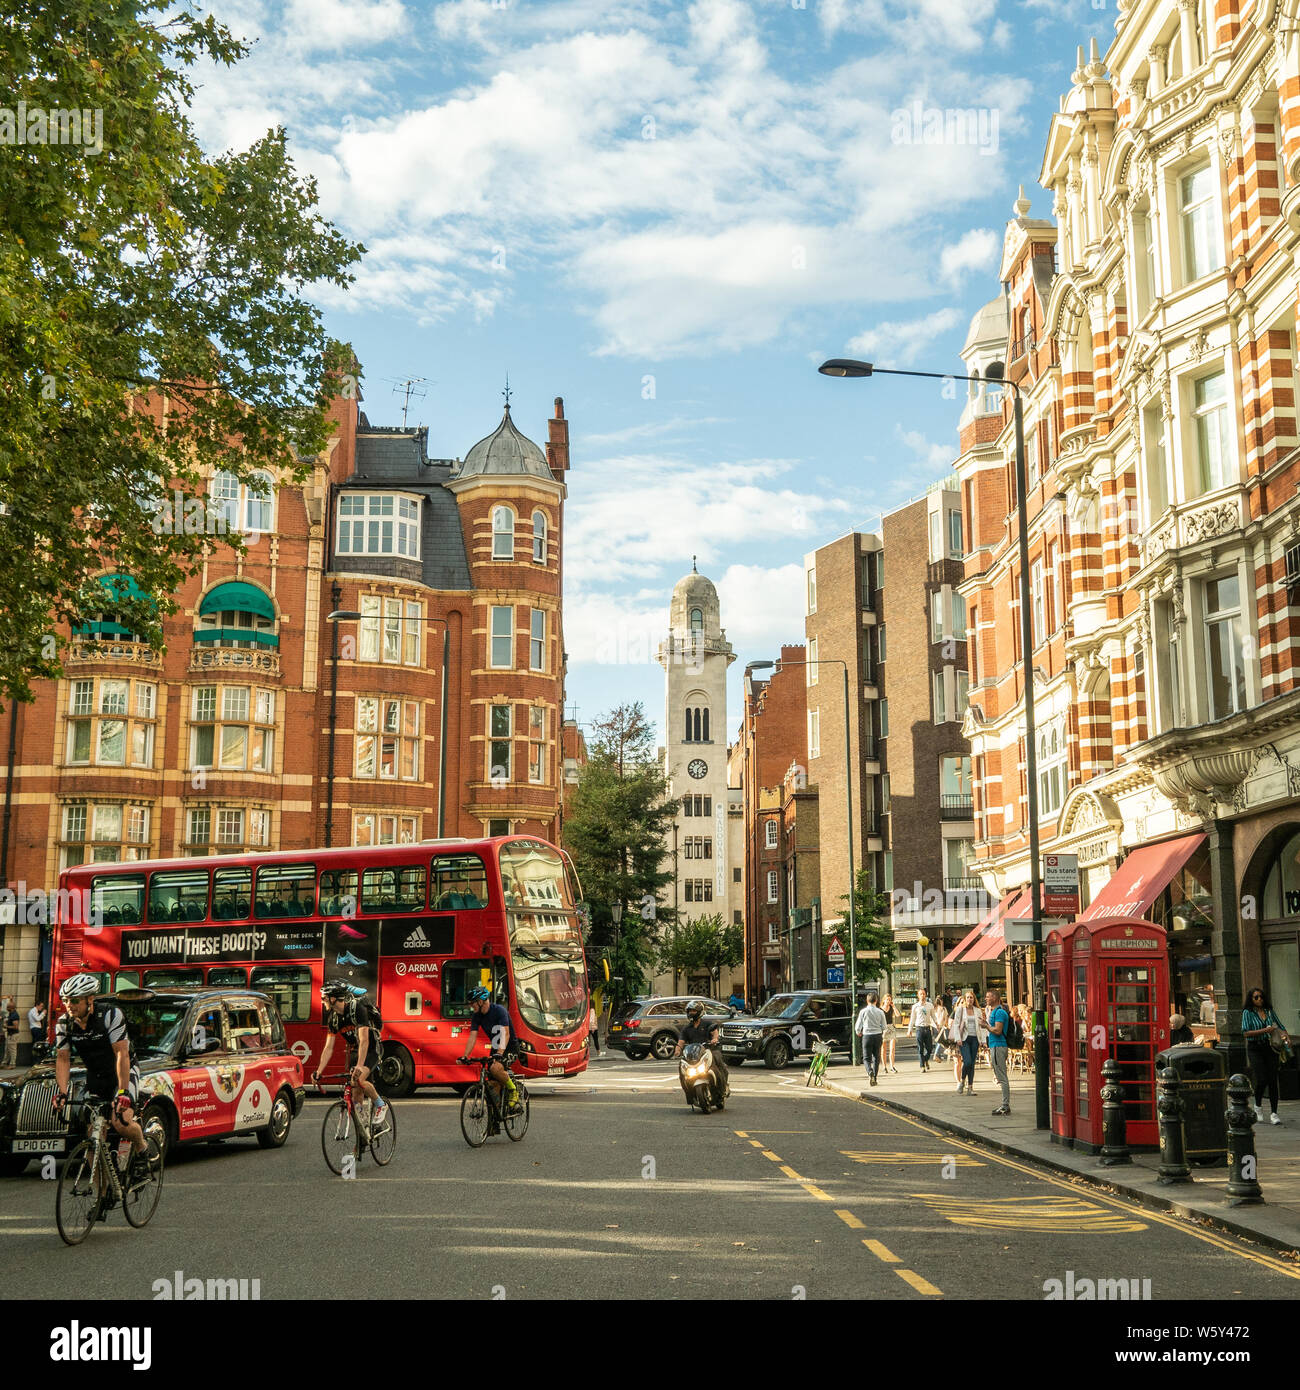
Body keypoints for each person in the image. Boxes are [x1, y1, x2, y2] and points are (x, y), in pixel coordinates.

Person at [49, 974, 155, 1181]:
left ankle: (142, 1148)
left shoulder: (110, 1015)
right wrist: (61, 1092)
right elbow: (63, 1060)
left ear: (90, 999)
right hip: (96, 1075)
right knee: (93, 1134)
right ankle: (102, 1194)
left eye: (75, 1000)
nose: (69, 1005)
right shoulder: (64, 1023)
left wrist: (123, 1092)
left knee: (120, 1121)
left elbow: (121, 1054)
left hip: (123, 1071)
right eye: (66, 1000)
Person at [314, 980, 389, 1132]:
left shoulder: (357, 1009)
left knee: (358, 1079)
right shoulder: (333, 1019)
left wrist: (360, 1066)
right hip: (356, 1051)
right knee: (356, 1094)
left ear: (333, 998)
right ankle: (364, 1130)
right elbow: (328, 1048)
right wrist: (319, 1071)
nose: (322, 1001)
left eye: (324, 998)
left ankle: (381, 1105)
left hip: (371, 1049)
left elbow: (364, 1040)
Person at [457, 985, 521, 1128]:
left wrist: (499, 1053)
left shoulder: (499, 1011)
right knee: (492, 1085)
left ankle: (513, 1089)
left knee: (496, 1068)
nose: (471, 1006)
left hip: (509, 1047)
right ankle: (496, 1118)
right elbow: (472, 1036)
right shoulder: (477, 1016)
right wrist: (465, 1056)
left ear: (480, 1001)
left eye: (472, 1003)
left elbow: (506, 1033)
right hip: (495, 1049)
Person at [1242, 987, 1289, 1125]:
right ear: (1251, 999)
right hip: (1255, 1048)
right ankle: (1258, 1106)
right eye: (1256, 997)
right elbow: (1245, 1032)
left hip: (1270, 1048)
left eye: (1261, 997)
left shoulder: (1269, 1011)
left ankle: (1274, 1113)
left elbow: (1280, 1025)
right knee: (1262, 1079)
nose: (1259, 999)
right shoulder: (1247, 1012)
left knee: (1273, 1079)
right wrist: (1265, 1030)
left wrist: (1285, 1035)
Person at [674, 1001, 728, 1098]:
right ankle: (689, 1094)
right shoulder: (687, 1028)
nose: (691, 1013)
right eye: (689, 1011)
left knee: (718, 1061)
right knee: (681, 1067)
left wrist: (715, 1039)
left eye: (694, 1011)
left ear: (699, 1012)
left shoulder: (707, 1024)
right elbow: (681, 1042)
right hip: (694, 1054)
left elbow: (715, 1032)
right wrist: (677, 1050)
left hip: (709, 1050)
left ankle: (722, 1089)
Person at [985, 988, 1012, 1115]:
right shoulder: (995, 1011)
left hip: (998, 1046)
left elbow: (997, 1030)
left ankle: (1005, 1105)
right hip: (995, 1045)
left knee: (1002, 1077)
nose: (986, 998)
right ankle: (1004, 1104)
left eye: (988, 996)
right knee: (1000, 1076)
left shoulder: (999, 1013)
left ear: (995, 998)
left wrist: (986, 1026)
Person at [952, 990, 984, 1095]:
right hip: (964, 1039)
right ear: (965, 999)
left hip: (975, 1038)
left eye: (971, 997)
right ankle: (962, 1081)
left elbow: (981, 1026)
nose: (970, 999)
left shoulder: (978, 1011)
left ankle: (970, 1087)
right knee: (968, 1061)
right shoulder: (960, 1010)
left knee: (972, 1064)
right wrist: (958, 1038)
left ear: (974, 999)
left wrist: (983, 1040)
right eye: (968, 997)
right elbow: (956, 1024)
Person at [855, 992, 887, 1085]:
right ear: (876, 1001)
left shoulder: (863, 1012)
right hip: (877, 1036)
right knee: (876, 1058)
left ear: (867, 1001)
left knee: (866, 1058)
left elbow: (858, 1026)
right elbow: (884, 1026)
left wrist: (858, 1032)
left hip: (867, 1036)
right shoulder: (880, 1012)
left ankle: (870, 1072)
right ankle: (875, 1078)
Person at [908, 988, 936, 1072]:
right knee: (920, 1048)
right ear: (918, 995)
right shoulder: (915, 1006)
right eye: (920, 994)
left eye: (923, 994)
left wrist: (937, 1024)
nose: (922, 995)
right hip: (919, 1029)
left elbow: (933, 1016)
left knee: (930, 1048)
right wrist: (910, 1030)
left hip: (927, 1028)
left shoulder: (930, 1005)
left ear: (926, 995)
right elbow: (912, 1019)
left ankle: (925, 1060)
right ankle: (922, 1066)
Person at [880, 994, 898, 1073]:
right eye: (887, 999)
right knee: (883, 1049)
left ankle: (892, 1066)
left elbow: (898, 1015)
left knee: (892, 1049)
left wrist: (894, 1007)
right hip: (883, 1028)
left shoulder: (891, 1008)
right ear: (884, 1000)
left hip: (891, 1028)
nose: (888, 1001)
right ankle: (884, 1066)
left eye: (890, 1000)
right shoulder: (880, 1009)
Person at [931, 998, 950, 1063]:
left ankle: (938, 1056)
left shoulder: (934, 1009)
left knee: (937, 1041)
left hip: (934, 1027)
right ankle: (936, 1054)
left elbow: (931, 1018)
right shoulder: (943, 1009)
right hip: (941, 1026)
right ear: (941, 1001)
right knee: (940, 1041)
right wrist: (945, 1025)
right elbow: (946, 1018)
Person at [3, 996, 19, 1068]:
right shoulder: (11, 1014)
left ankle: (12, 1064)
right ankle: (5, 1063)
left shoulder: (15, 1015)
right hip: (10, 1034)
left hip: (13, 1035)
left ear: (11, 1008)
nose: (6, 1008)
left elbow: (16, 1026)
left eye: (7, 1007)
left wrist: (7, 1027)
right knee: (7, 1049)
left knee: (12, 1050)